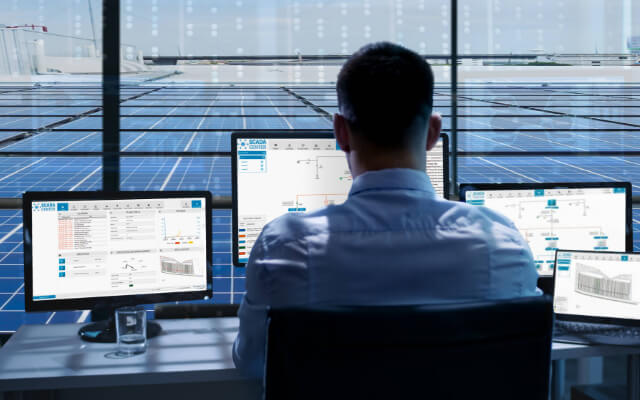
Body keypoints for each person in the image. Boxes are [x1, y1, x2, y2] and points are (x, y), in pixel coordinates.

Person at [233, 42, 538, 378]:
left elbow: (252, 362)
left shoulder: (284, 246)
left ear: (340, 132)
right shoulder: (501, 242)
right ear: (433, 132)